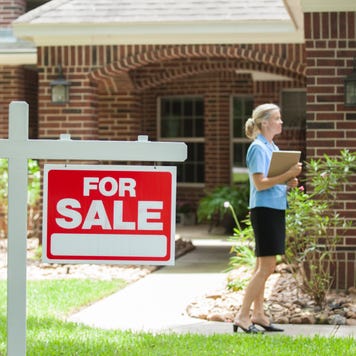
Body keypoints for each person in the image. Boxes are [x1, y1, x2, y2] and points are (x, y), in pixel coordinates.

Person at [233, 103, 302, 334]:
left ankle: (259, 314)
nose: (281, 122)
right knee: (268, 266)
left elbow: (272, 180)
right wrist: (288, 174)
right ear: (265, 123)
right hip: (264, 211)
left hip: (274, 208)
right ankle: (242, 316)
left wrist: (288, 181)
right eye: (277, 118)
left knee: (261, 265)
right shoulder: (257, 149)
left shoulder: (272, 147)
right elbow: (260, 183)